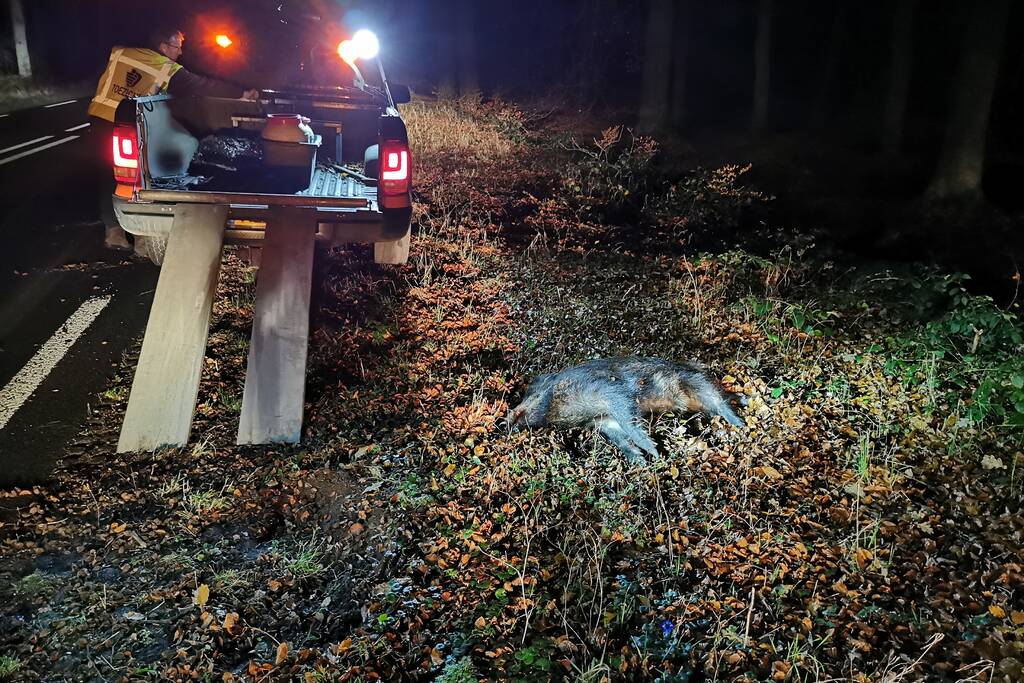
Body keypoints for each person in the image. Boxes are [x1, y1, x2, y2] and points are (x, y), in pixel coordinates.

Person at [88, 26, 258, 250]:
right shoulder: (166, 68)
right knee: (136, 176)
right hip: (126, 123)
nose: (180, 52)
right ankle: (133, 235)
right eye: (177, 47)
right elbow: (202, 85)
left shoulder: (122, 52)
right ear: (163, 47)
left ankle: (115, 232)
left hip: (99, 117)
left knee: (110, 175)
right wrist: (242, 94)